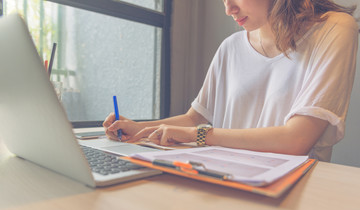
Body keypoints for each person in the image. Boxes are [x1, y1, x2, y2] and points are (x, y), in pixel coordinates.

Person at [103, 0, 359, 162]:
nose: (228, 8)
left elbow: (296, 140)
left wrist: (199, 136)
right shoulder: (231, 46)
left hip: (295, 188)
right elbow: (194, 118)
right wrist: (141, 129)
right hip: (224, 176)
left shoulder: (335, 29)